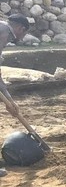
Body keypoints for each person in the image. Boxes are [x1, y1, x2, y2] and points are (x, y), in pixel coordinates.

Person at [0, 14, 32, 178]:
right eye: (24, 33)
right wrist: (9, 101)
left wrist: (9, 101)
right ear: (20, 28)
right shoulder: (4, 31)